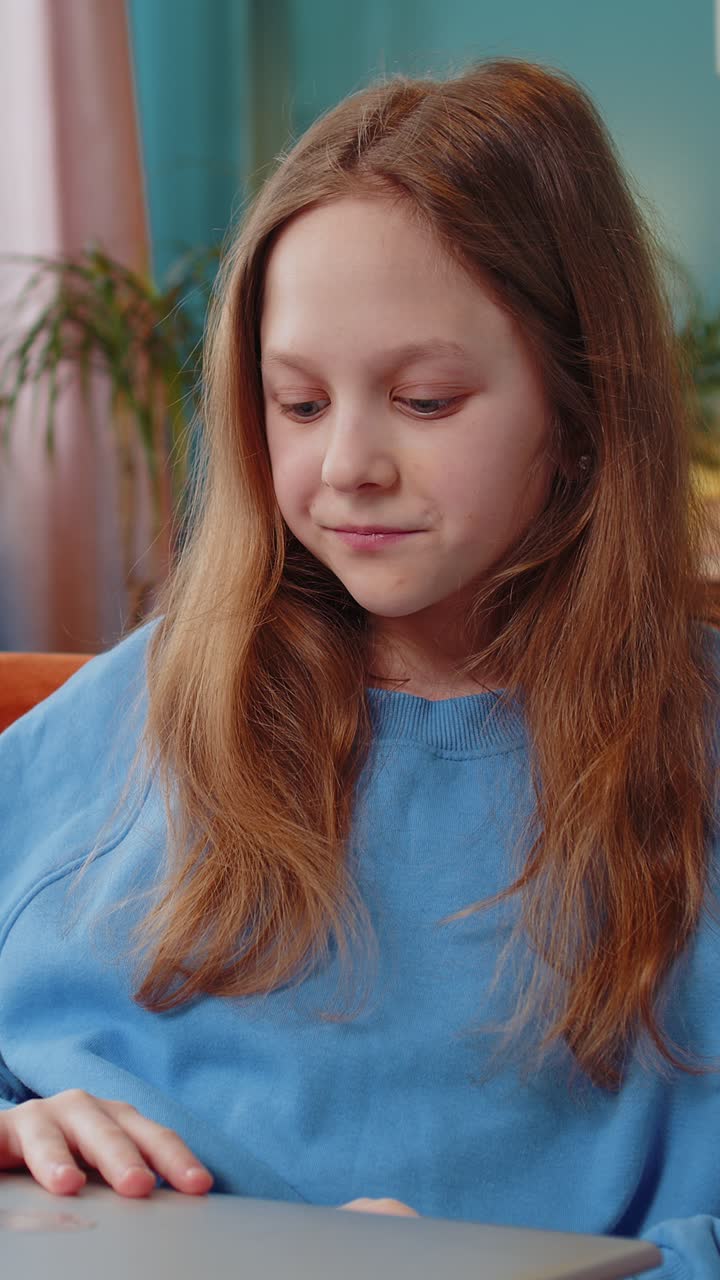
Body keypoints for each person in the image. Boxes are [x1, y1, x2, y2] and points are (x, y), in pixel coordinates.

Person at [1, 55, 719, 1275]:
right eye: (296, 402)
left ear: (581, 402)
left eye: (427, 400)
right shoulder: (134, 712)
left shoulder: (687, 747)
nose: (348, 466)